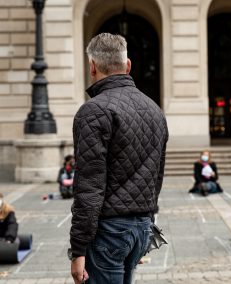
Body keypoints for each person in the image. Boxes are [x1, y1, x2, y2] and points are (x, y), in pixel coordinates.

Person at [69, 33, 168, 284]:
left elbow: (88, 186)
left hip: (109, 230)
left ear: (92, 67)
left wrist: (78, 249)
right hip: (141, 227)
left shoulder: (93, 111)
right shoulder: (154, 109)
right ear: (128, 65)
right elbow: (157, 175)